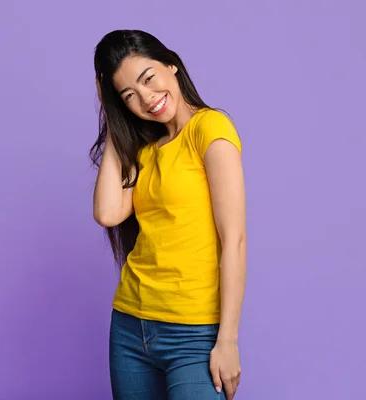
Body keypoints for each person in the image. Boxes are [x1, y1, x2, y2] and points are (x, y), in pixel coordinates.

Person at [90, 29, 247, 400]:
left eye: (148, 78)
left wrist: (228, 340)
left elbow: (234, 240)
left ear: (171, 65)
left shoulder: (210, 129)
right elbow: (107, 213)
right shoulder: (145, 149)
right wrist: (114, 119)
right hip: (130, 327)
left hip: (194, 333)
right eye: (128, 95)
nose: (146, 98)